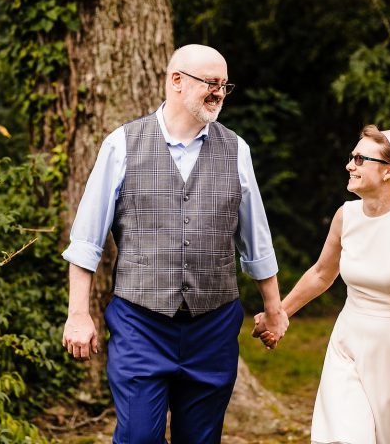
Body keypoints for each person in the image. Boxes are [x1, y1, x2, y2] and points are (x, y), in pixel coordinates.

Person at [61, 44, 289, 443]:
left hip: (213, 324)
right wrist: (77, 313)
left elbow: (256, 239)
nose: (219, 92)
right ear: (177, 82)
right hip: (140, 322)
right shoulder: (122, 144)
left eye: (224, 85)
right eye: (211, 83)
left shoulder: (236, 150)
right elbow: (86, 241)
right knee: (138, 436)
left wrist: (273, 308)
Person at [256, 125, 390, 443]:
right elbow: (321, 274)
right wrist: (279, 314)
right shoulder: (346, 215)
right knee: (344, 436)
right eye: (351, 157)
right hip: (349, 347)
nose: (350, 165)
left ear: (389, 170)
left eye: (360, 159)